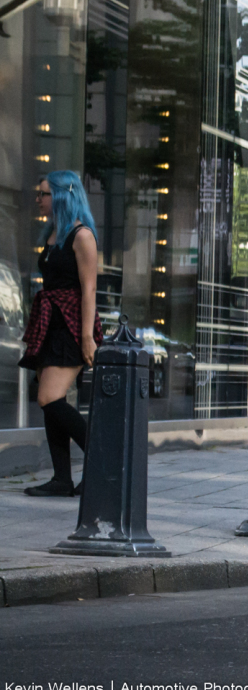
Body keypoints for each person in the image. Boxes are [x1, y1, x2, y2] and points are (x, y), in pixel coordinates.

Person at [20, 171, 104, 497]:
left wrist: (87, 336)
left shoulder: (81, 236)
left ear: (62, 195)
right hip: (50, 323)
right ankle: (62, 479)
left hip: (71, 325)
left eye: (44, 194)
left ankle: (104, 461)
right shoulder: (54, 233)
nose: (39, 200)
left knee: (49, 397)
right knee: (49, 402)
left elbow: (90, 288)